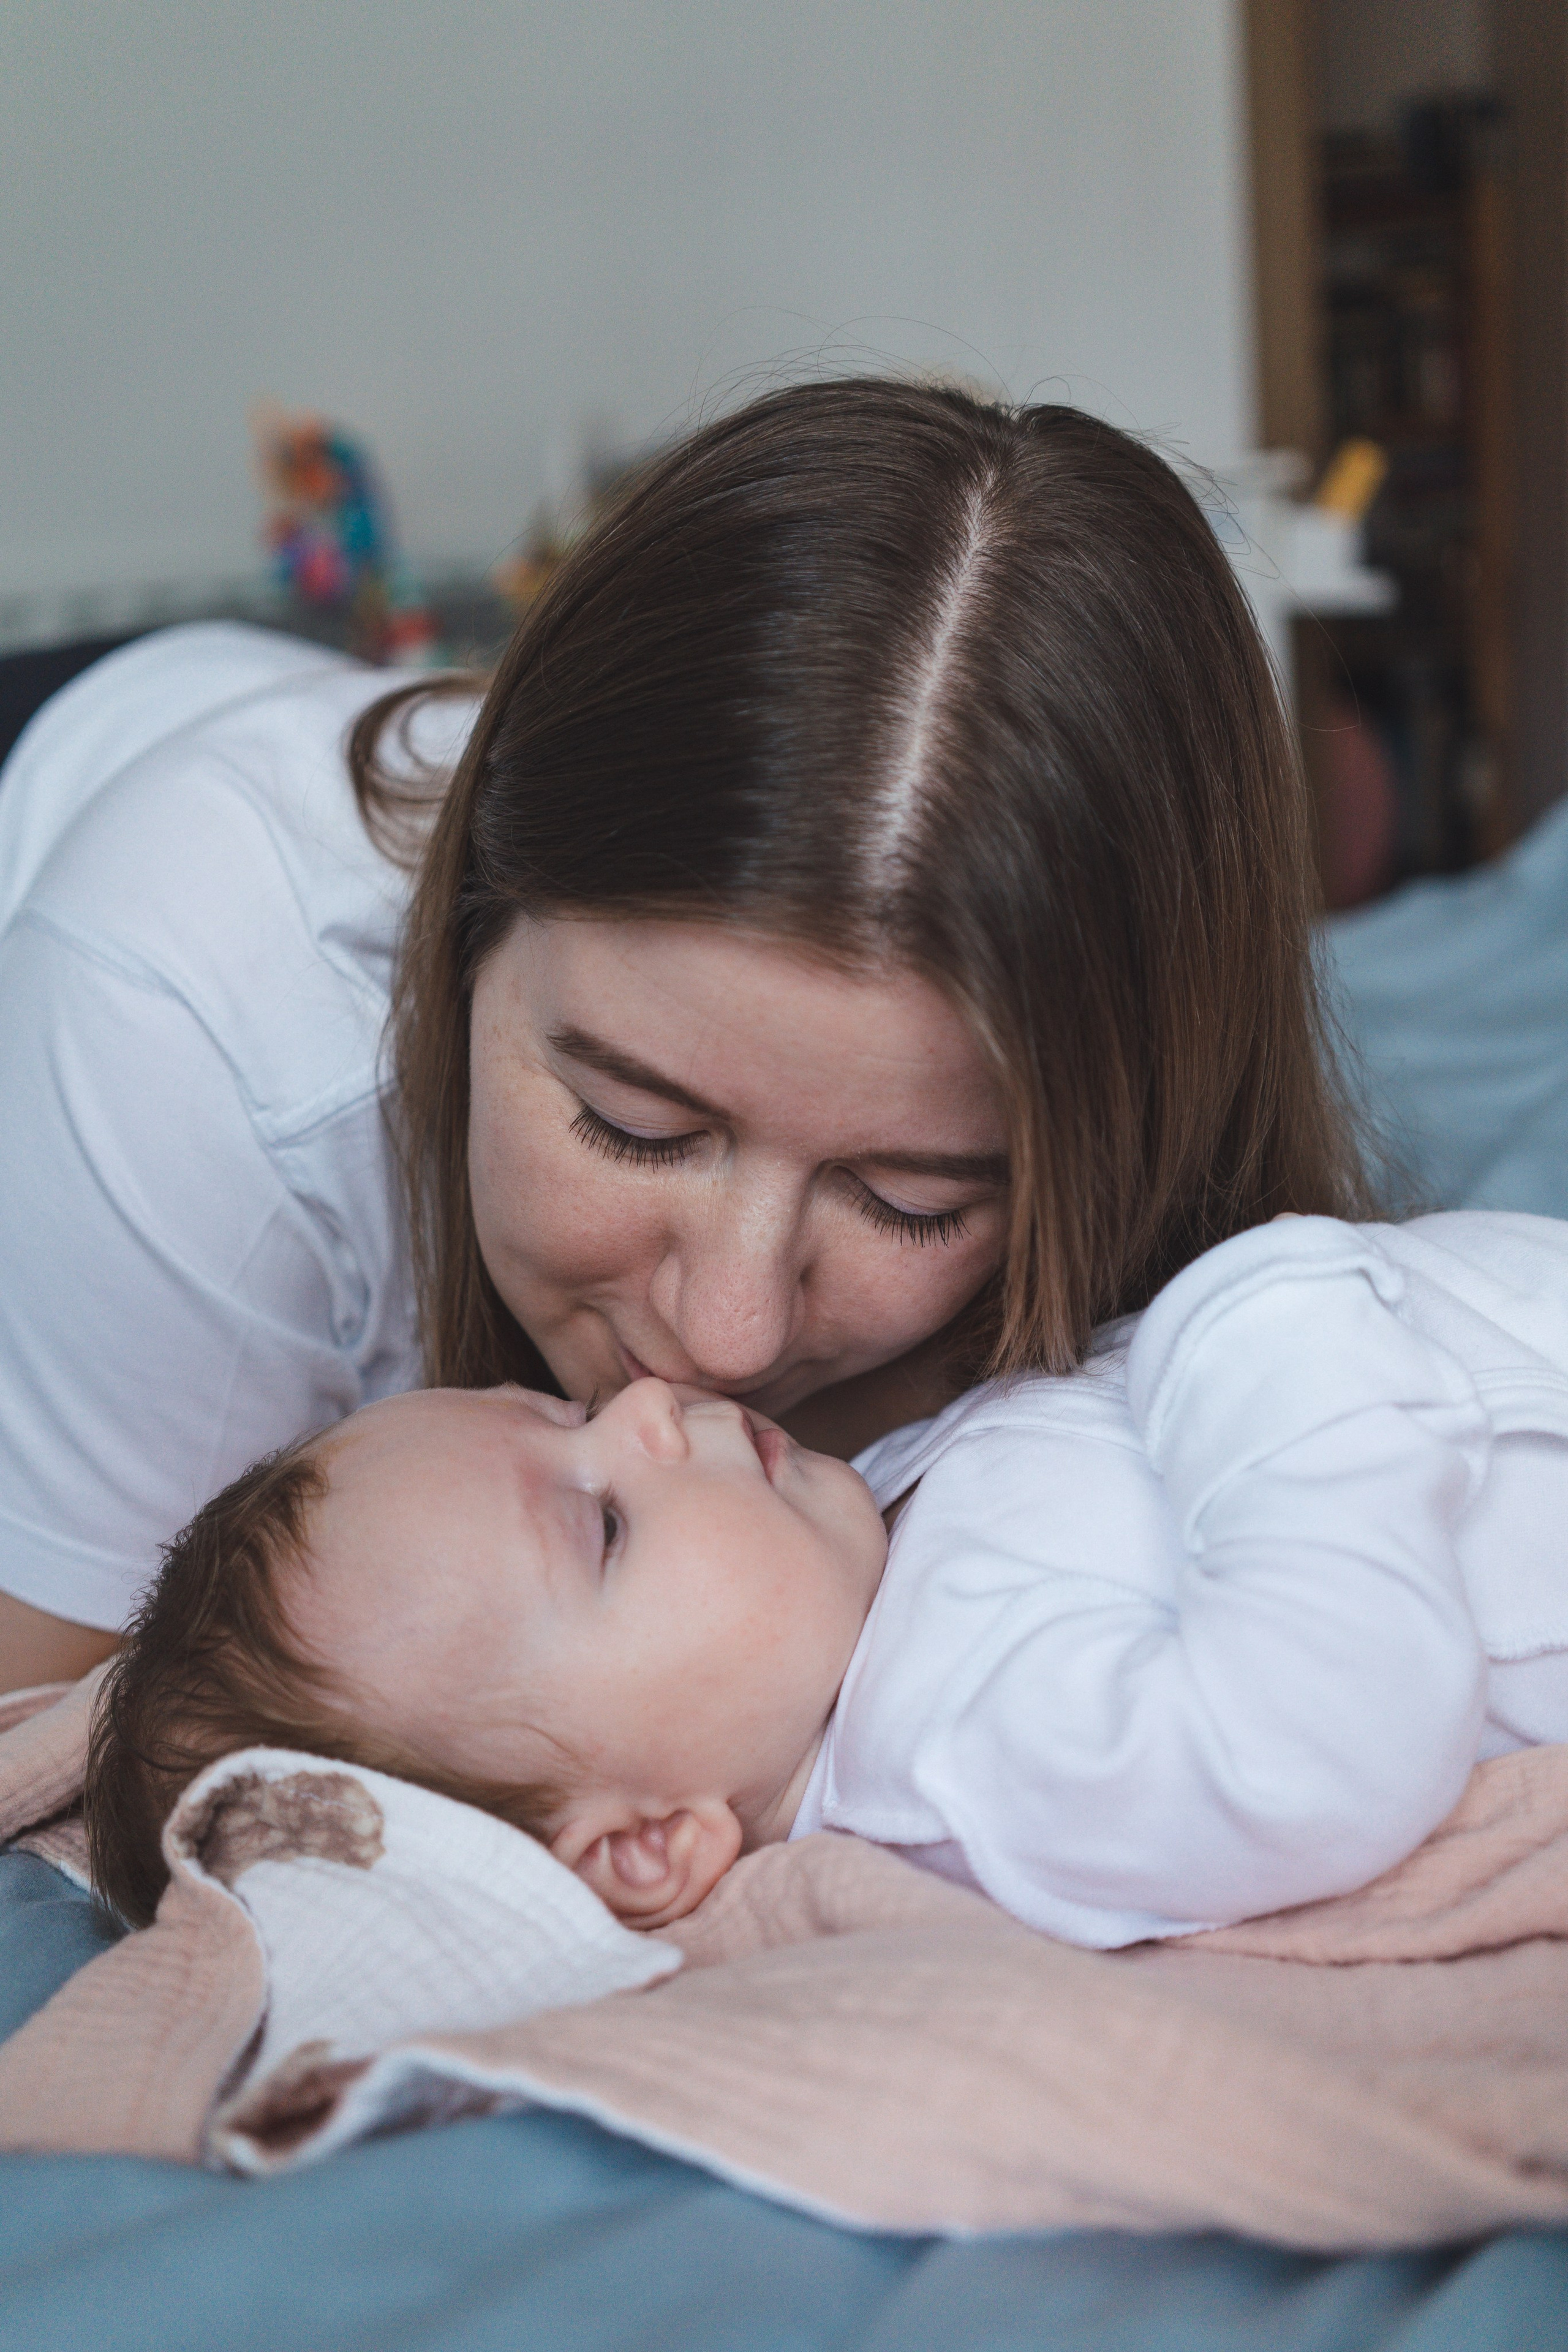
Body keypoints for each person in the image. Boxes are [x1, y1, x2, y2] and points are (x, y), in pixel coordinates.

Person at [0, 380, 1367, 1697]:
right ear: (472, 932)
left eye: (911, 1200)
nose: (728, 1336)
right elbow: (53, 1735)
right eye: (634, 1128)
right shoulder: (193, 1026)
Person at [87, 1208, 1568, 1941]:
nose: (643, 1406)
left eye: (559, 1411)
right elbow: (1306, 1746)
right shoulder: (963, 1750)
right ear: (646, 1849)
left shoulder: (859, 1551)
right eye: (603, 1525)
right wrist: (1259, 1328)